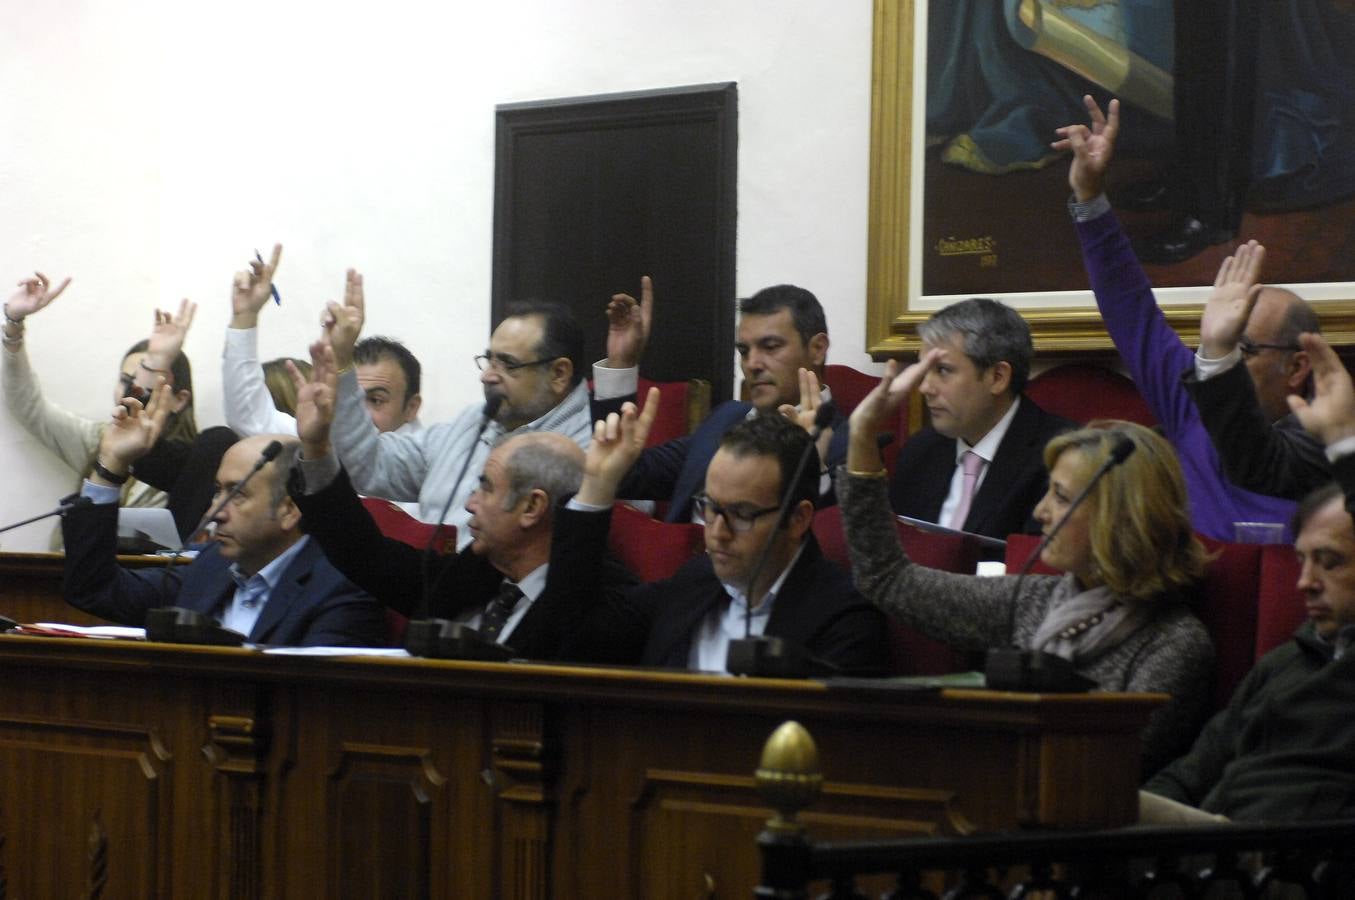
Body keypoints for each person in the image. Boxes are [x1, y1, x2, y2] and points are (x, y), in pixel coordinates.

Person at [840, 352, 1214, 775]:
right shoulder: (1034, 598)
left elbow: (1113, 770)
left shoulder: (1174, 643)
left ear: (1121, 517)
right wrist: (861, 441)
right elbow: (889, 581)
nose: (1040, 512)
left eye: (1060, 497)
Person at [1053, 96, 1306, 540]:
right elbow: (1131, 309)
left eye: (1240, 348)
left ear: (1298, 366)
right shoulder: (1195, 403)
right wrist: (1090, 197)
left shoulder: (1329, 451)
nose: (1221, 365)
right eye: (1217, 347)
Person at [285, 343, 636, 661]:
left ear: (532, 507)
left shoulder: (603, 601)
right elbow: (366, 554)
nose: (469, 503)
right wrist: (316, 447)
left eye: (485, 487)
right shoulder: (478, 572)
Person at [1139, 331, 1355, 821]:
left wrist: (1345, 446)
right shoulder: (1285, 663)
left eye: (1332, 561)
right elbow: (1192, 773)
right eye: (1302, 560)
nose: (1304, 582)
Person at [561, 393, 888, 675]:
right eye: (711, 507)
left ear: (798, 518)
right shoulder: (692, 584)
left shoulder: (844, 619)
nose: (717, 532)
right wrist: (596, 487)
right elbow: (573, 637)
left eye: (742, 514)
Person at [62, 388, 384, 647]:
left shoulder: (341, 587)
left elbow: (315, 705)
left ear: (290, 509)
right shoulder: (211, 566)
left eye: (237, 494)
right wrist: (111, 467)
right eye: (217, 491)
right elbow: (94, 587)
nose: (214, 511)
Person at [322, 271, 593, 547]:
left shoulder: (589, 450)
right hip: (427, 580)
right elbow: (369, 466)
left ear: (559, 374)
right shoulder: (475, 420)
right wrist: (343, 363)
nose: (487, 376)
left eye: (508, 364)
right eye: (489, 361)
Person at [2, 275, 237, 543]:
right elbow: (26, 403)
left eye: (147, 379)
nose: (133, 391)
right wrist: (13, 324)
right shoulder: (99, 438)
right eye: (126, 382)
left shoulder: (196, 463)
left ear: (180, 399)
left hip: (143, 577)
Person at [594, 278, 848, 523]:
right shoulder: (726, 417)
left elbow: (831, 544)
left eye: (770, 347)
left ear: (817, 348)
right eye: (744, 351)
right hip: (687, 564)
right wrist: (621, 364)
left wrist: (815, 467)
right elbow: (625, 475)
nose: (752, 364)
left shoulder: (849, 443)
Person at [887, 297, 1075, 545]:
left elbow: (1039, 575)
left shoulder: (1059, 460)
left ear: (997, 377)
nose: (924, 387)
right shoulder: (920, 452)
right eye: (924, 370)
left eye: (942, 370)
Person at [1180, 239, 1329, 500]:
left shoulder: (1330, 432)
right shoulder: (1187, 426)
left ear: (1296, 367)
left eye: (1242, 350)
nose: (1233, 365)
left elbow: (1260, 467)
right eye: (1228, 351)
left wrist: (1219, 354)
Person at [221, 246, 424, 437]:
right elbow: (252, 419)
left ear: (411, 408)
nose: (360, 414)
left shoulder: (425, 458)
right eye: (352, 400)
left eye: (376, 400)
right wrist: (245, 317)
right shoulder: (334, 437)